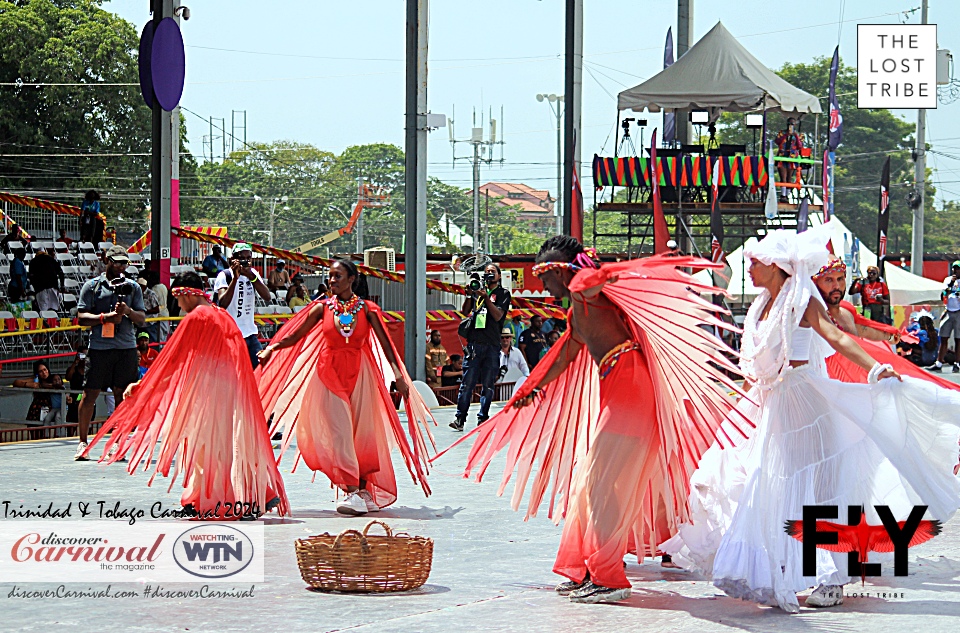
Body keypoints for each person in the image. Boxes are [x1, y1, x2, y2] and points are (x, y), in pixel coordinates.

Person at [662, 224, 960, 613]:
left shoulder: (801, 301)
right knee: (770, 484)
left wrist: (874, 368)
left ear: (778, 266)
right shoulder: (762, 305)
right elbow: (758, 362)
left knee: (816, 491)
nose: (749, 268)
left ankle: (831, 578)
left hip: (806, 403)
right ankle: (782, 570)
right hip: (776, 403)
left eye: (756, 263)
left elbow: (838, 337)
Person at [444, 236, 742, 604]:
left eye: (545, 272)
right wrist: (529, 390)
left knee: (600, 483)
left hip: (630, 386)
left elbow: (598, 279)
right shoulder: (577, 312)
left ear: (563, 270)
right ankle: (591, 568)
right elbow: (563, 356)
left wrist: (591, 272)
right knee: (589, 484)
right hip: (618, 385)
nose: (541, 282)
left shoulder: (587, 289)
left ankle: (609, 577)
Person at [85, 272, 288, 520]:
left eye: (178, 299)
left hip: (210, 391)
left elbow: (173, 360)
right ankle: (240, 495)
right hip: (228, 389)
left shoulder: (197, 318)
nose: (178, 306)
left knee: (208, 447)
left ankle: (226, 500)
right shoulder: (221, 315)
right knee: (221, 446)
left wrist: (142, 385)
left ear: (187, 293)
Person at [257, 258, 434, 516]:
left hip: (361, 374)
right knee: (340, 432)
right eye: (330, 276)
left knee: (362, 433)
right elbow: (295, 336)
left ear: (352, 279)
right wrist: (273, 347)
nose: (332, 280)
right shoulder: (322, 309)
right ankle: (351, 491)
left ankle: (362, 490)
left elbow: (386, 346)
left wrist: (399, 376)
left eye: (337, 276)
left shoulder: (368, 309)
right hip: (329, 374)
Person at [74, 245, 146, 461]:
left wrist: (128, 312)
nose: (121, 266)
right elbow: (81, 317)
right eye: (116, 262)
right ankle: (82, 443)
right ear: (107, 260)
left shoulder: (133, 287)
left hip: (125, 349)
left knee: (122, 396)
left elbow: (141, 318)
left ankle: (117, 442)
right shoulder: (93, 286)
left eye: (124, 263)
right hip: (99, 348)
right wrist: (104, 318)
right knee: (89, 395)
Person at [451, 263, 512, 431]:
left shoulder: (503, 294)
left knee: (488, 385)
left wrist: (486, 297)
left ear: (499, 276)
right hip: (474, 344)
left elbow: (498, 315)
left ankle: (482, 418)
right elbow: (465, 312)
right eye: (487, 272)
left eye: (493, 272)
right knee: (467, 383)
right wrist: (470, 295)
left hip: (492, 345)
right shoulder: (478, 292)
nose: (489, 274)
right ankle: (460, 419)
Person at [214, 243, 271, 368]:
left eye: (248, 258)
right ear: (232, 259)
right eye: (241, 258)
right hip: (231, 335)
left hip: (250, 334)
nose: (245, 261)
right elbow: (223, 303)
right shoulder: (225, 275)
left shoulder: (253, 274)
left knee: (259, 369)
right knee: (234, 372)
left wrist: (251, 276)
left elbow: (267, 297)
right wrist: (235, 279)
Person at [13, 361, 63, 426]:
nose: (44, 373)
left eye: (45, 370)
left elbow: (60, 385)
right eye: (40, 371)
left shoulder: (53, 378)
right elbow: (16, 382)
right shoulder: (36, 379)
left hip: (49, 409)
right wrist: (28, 384)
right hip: (36, 408)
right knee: (34, 429)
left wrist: (44, 385)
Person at [933, 260, 960, 372]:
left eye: (957, 268)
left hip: (959, 311)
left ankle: (957, 364)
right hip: (948, 310)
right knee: (944, 337)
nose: (955, 270)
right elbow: (943, 295)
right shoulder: (948, 280)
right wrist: (949, 285)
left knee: (958, 339)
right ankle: (939, 363)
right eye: (954, 268)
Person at [774, 117, 803, 202]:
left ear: (795, 125)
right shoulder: (782, 132)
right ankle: (783, 195)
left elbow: (800, 146)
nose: (790, 125)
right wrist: (786, 134)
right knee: (783, 176)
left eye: (792, 124)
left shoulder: (799, 134)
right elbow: (777, 141)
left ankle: (787, 195)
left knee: (789, 178)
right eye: (789, 124)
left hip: (792, 157)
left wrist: (795, 135)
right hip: (782, 155)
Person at [28, 248, 64, 312]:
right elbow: (61, 273)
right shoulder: (51, 259)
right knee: (53, 307)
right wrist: (62, 285)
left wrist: (34, 288)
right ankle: (52, 321)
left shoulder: (33, 261)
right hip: (53, 286)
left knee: (43, 309)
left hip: (40, 288)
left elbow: (31, 276)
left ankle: (45, 321)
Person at [65, 343, 91, 423]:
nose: (85, 358)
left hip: (87, 399)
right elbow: (68, 377)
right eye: (83, 355)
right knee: (72, 423)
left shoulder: (90, 370)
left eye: (87, 355)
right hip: (74, 399)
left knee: (88, 423)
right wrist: (75, 362)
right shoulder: (73, 369)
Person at [138, 277, 161, 342]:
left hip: (150, 323)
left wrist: (145, 311)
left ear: (144, 286)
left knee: (152, 341)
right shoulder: (138, 294)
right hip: (141, 322)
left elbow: (156, 309)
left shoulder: (151, 294)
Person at [151, 273, 170, 343]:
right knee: (164, 336)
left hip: (159, 315)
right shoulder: (164, 286)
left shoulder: (154, 289)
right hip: (166, 313)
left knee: (160, 339)